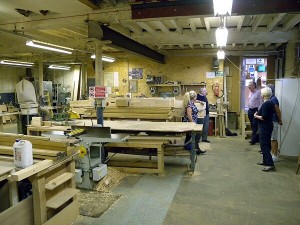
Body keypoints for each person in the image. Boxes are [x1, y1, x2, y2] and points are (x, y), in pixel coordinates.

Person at [254, 87, 276, 172]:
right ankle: (265, 160)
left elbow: (264, 117)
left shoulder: (266, 103)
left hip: (265, 126)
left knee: (264, 145)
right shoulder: (270, 102)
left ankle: (270, 164)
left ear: (263, 95)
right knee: (265, 144)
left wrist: (256, 116)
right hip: (267, 126)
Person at [183, 91, 206, 155]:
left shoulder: (191, 102)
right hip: (190, 123)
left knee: (190, 137)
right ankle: (191, 148)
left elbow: (195, 101)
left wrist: (199, 102)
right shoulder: (190, 105)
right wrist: (192, 123)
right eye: (196, 97)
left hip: (192, 122)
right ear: (194, 97)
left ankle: (194, 148)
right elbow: (189, 115)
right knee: (190, 137)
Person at [267, 84, 283, 162]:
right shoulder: (270, 98)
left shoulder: (273, 99)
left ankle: (275, 155)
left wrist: (280, 120)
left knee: (273, 139)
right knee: (272, 138)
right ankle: (272, 153)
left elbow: (277, 110)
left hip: (274, 121)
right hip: (271, 121)